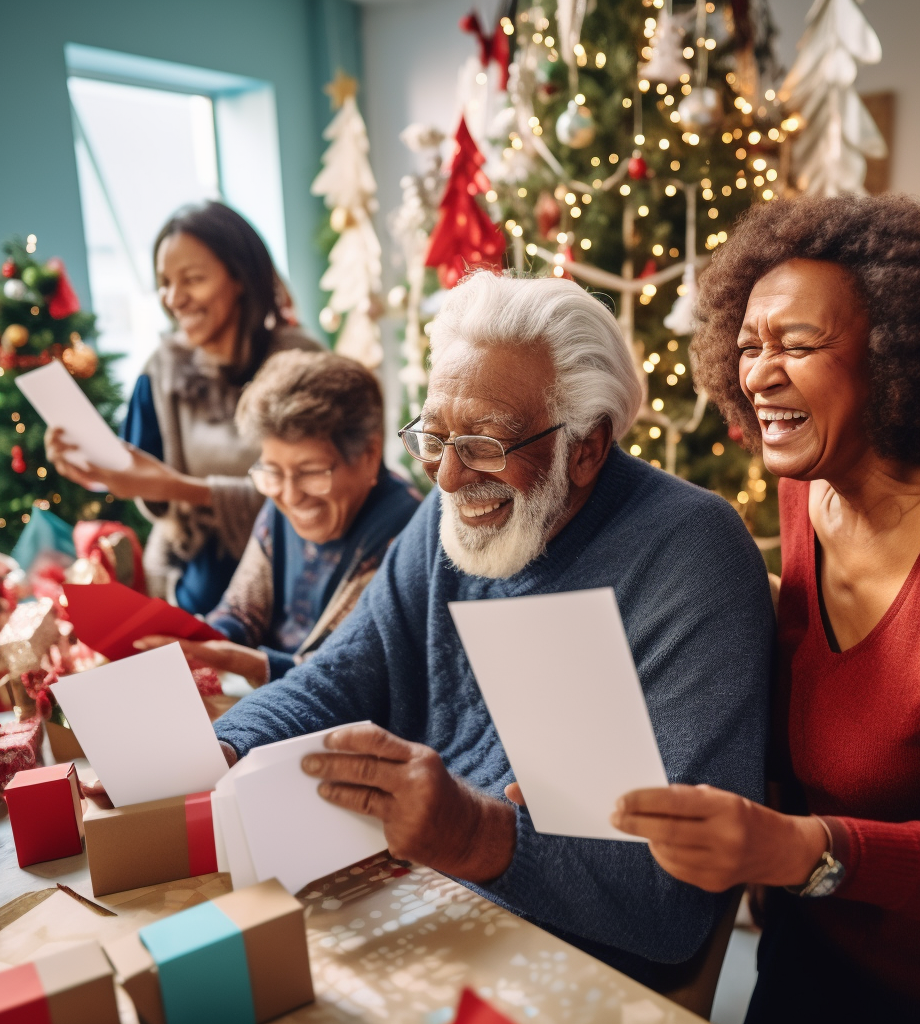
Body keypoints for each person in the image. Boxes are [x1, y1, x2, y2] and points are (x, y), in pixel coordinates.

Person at [212, 271, 775, 991]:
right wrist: (225, 743)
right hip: (426, 895)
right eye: (435, 436)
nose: (446, 477)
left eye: (483, 445)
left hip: (572, 959)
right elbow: (345, 669)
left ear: (588, 447)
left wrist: (477, 835)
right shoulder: (448, 518)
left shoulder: (691, 556)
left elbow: (674, 908)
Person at [612, 194, 920, 1023]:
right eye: (749, 346)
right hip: (809, 948)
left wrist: (802, 849)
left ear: (898, 355)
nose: (758, 373)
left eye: (799, 344)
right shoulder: (807, 495)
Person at [46, 201, 321, 614]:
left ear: (240, 279)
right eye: (163, 282)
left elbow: (317, 493)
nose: (174, 298)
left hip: (298, 584)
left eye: (192, 279)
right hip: (194, 589)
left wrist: (176, 486)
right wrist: (91, 467)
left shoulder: (302, 365)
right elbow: (144, 479)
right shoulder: (160, 372)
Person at [133, 349, 421, 685]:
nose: (290, 495)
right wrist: (200, 639)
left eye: (311, 472)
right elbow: (242, 609)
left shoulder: (404, 535)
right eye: (272, 471)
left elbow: (349, 676)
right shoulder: (281, 502)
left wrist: (241, 661)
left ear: (370, 455)